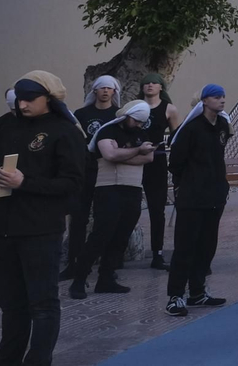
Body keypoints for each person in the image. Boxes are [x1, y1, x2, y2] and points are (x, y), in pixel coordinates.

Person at [0, 72, 85, 366]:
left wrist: (25, 182)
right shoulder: (4, 124)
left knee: (43, 304)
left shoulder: (65, 131)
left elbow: (73, 184)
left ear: (48, 99)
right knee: (12, 307)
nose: (21, 104)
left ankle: (38, 361)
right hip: (2, 229)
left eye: (29, 99)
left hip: (40, 230)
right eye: (18, 98)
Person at [69, 100, 156, 299]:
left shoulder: (141, 134)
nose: (139, 125)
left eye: (142, 122)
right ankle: (79, 279)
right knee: (100, 236)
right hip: (108, 190)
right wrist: (136, 151)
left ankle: (106, 278)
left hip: (133, 190)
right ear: (127, 116)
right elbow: (109, 154)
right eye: (136, 121)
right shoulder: (107, 131)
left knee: (121, 237)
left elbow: (149, 158)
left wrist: (123, 154)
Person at [165, 84, 232, 316]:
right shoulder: (191, 129)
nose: (221, 100)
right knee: (185, 248)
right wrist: (188, 185)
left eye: (223, 96)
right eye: (216, 97)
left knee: (206, 247)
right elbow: (176, 162)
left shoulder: (223, 125)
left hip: (215, 197)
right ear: (204, 101)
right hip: (192, 198)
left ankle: (197, 292)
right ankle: (174, 296)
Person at [63, 74, 120, 278]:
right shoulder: (81, 113)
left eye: (109, 88)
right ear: (94, 90)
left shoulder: (118, 115)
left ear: (114, 92)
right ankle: (73, 264)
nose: (105, 91)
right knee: (78, 218)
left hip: (108, 173)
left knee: (105, 219)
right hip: (84, 172)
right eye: (101, 87)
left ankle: (107, 267)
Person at [138, 72, 179, 271]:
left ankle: (158, 253)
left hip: (157, 161)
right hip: (133, 159)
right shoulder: (134, 107)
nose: (150, 85)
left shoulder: (169, 109)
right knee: (127, 208)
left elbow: (177, 136)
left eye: (154, 82)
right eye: (146, 83)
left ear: (161, 87)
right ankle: (115, 252)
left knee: (157, 209)